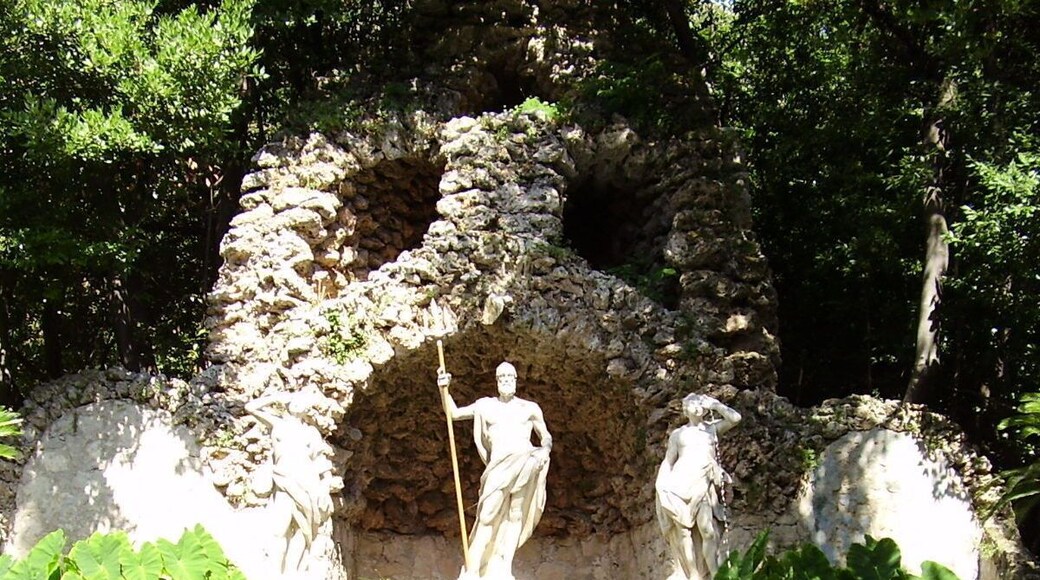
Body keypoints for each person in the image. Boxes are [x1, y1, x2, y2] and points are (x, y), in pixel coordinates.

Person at [438, 361, 552, 580]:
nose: (507, 380)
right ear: (497, 381)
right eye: (502, 377)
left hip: (525, 462)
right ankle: (472, 571)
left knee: (515, 515)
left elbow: (545, 435)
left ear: (516, 380)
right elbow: (453, 414)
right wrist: (444, 389)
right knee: (487, 515)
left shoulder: (529, 408)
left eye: (511, 376)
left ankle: (504, 570)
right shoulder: (485, 406)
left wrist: (544, 450)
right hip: (498, 467)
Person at [245, 390, 336, 576]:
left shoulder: (311, 433)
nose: (297, 403)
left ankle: (293, 572)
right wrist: (275, 397)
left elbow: (320, 461)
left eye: (302, 401)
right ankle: (274, 572)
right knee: (280, 528)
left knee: (304, 531)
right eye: (295, 400)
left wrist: (325, 486)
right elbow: (250, 407)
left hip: (307, 483)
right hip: (284, 479)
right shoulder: (278, 423)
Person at [655, 393, 741, 580]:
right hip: (680, 483)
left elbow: (735, 419)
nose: (698, 406)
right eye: (693, 403)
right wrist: (662, 485)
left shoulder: (711, 429)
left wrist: (716, 405)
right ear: (685, 409)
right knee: (684, 533)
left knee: (708, 531)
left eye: (700, 403)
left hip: (703, 483)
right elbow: (669, 461)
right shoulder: (678, 434)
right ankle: (693, 575)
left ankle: (715, 574)